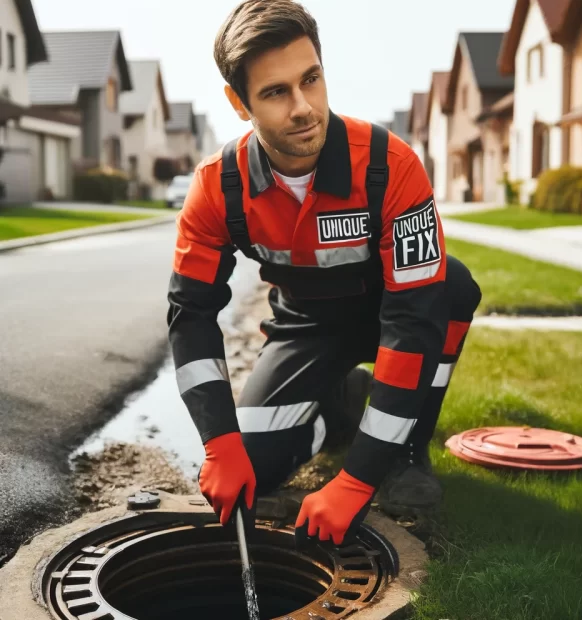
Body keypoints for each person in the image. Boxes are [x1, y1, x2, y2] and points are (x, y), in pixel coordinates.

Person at [167, 0, 482, 547]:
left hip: (394, 318)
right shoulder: (218, 185)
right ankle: (341, 408)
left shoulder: (391, 165)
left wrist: (357, 481)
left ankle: (408, 450)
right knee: (255, 469)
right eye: (275, 92)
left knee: (450, 289)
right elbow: (190, 314)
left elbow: (413, 324)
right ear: (239, 103)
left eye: (311, 79)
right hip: (304, 325)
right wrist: (219, 443)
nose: (304, 107)